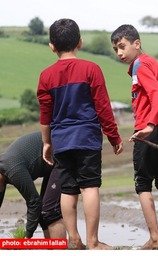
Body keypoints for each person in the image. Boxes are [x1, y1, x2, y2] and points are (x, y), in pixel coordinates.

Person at [37, 18, 123, 250]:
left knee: (68, 189)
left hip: (62, 141)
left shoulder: (45, 76)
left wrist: (47, 142)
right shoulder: (91, 69)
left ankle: (74, 239)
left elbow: (45, 115)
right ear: (80, 43)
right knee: (90, 187)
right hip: (87, 139)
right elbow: (103, 108)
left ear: (52, 46)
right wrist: (114, 137)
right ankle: (93, 242)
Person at [111, 24, 158, 249]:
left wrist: (150, 123)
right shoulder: (151, 63)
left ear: (136, 44)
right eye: (115, 49)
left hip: (148, 129)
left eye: (122, 47)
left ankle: (155, 239)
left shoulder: (140, 66)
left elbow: (157, 94)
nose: (119, 53)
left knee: (143, 184)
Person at [0, 131, 65, 239]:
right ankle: (50, 249)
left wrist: (27, 237)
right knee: (42, 213)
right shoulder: (2, 171)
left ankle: (61, 250)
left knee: (50, 211)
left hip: (61, 155)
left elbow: (34, 202)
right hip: (51, 161)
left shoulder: (13, 170)